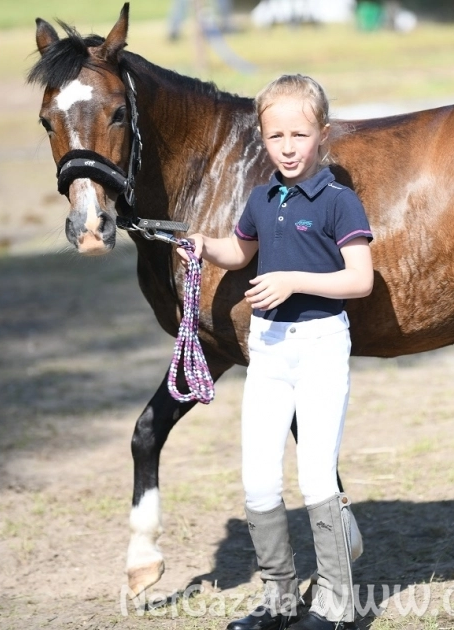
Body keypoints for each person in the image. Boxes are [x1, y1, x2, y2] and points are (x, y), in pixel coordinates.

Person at [178, 74, 373, 630]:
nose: (287, 148)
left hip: (320, 347)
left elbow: (360, 280)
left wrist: (293, 281)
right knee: (259, 481)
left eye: (299, 135)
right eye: (275, 136)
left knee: (316, 480)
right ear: (262, 137)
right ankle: (280, 600)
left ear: (323, 134)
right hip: (267, 351)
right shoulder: (262, 197)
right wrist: (202, 244)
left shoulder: (339, 201)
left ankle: (336, 605)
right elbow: (239, 251)